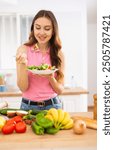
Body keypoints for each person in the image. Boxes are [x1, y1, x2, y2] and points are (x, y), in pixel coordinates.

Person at [16, 10, 65, 111]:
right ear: (33, 29)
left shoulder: (59, 54)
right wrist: (23, 65)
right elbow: (23, 88)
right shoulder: (23, 50)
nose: (41, 32)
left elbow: (60, 90)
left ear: (53, 31)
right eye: (38, 28)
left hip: (53, 106)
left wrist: (51, 77)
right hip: (27, 106)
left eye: (47, 29)